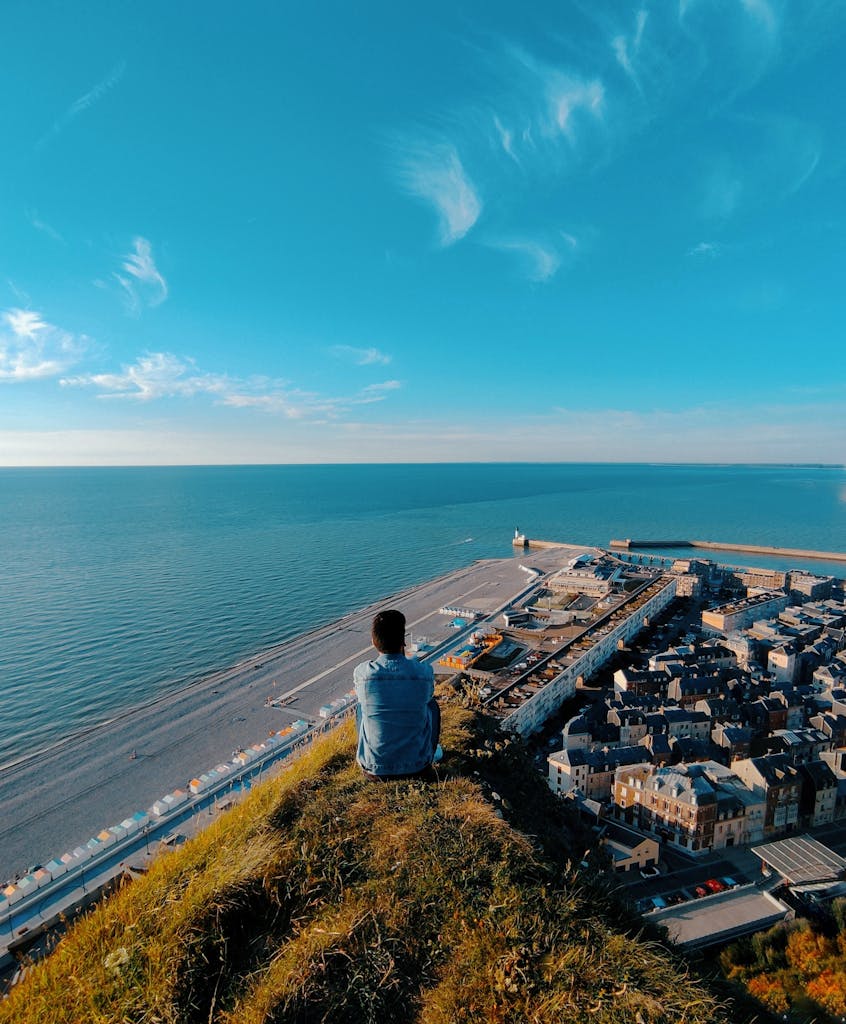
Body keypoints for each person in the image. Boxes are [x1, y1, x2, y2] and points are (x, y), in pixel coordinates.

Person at [353, 608, 441, 781]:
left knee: (360, 707)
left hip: (374, 770)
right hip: (418, 766)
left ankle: (370, 753)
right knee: (432, 705)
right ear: (403, 641)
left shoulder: (362, 673)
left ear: (373, 641)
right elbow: (427, 697)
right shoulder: (423, 672)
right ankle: (429, 752)